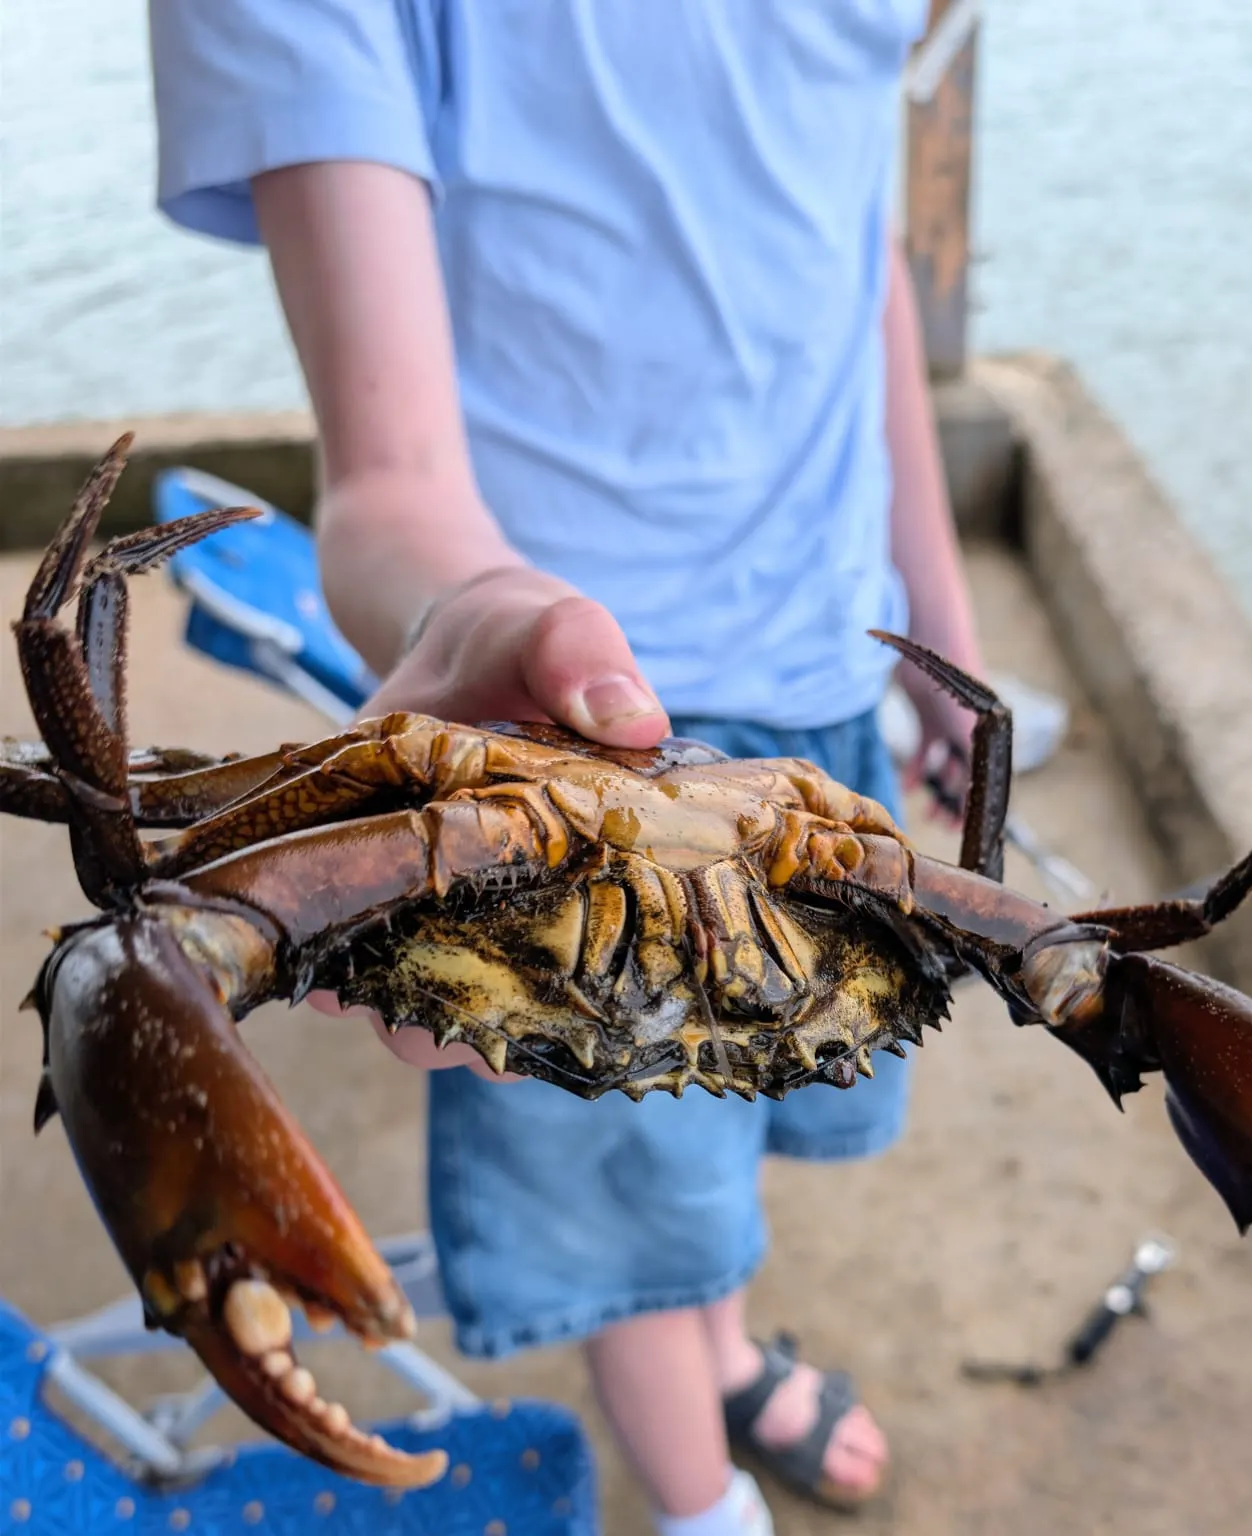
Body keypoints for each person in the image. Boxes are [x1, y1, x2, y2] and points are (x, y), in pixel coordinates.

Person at [148, 5, 987, 1532]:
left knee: (731, 1104)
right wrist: (476, 608)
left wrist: (937, 614)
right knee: (623, 1211)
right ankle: (701, 1504)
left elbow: (853, 250)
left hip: (827, 672)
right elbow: (388, 481)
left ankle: (723, 1353)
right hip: (573, 736)